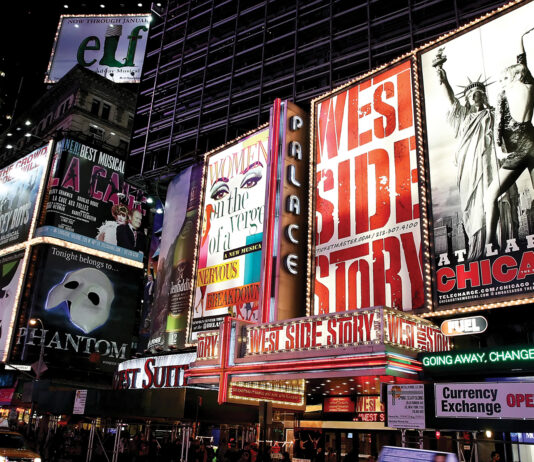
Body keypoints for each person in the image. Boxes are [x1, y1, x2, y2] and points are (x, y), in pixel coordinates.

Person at [435, 53, 498, 260]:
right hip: (468, 165)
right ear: (468, 100)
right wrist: (443, 78)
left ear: (484, 96)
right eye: (472, 95)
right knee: (471, 205)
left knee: (489, 200)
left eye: (479, 94)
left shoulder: (491, 114)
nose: (476, 97)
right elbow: (451, 98)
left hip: (488, 162)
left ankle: (492, 244)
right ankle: (476, 248)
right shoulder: (463, 116)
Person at [485, 27, 534, 248]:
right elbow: (522, 62)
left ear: (514, 76)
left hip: (518, 152)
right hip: (532, 142)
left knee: (490, 196)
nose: (501, 81)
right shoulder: (530, 85)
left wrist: (500, 150)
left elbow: (497, 127)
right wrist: (520, 39)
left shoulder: (503, 94)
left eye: (505, 77)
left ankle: (489, 244)